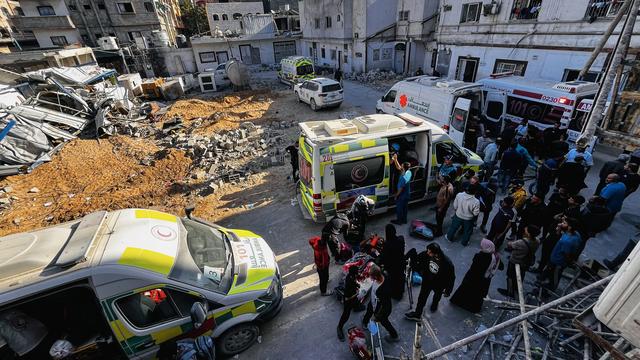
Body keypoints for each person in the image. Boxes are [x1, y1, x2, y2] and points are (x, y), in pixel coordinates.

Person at [450, 238, 503, 313]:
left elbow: (474, 267)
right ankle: (473, 308)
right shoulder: (495, 256)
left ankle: (459, 303)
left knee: (465, 290)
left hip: (473, 278)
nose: (481, 247)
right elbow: (501, 267)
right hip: (484, 280)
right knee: (477, 295)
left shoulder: (480, 256)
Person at [405, 243, 455, 319]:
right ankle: (417, 313)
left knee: (437, 295)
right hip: (427, 280)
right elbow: (418, 259)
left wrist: (448, 290)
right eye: (428, 251)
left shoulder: (447, 263)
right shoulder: (426, 255)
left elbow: (451, 278)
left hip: (439, 284)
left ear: (436, 253)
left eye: (429, 252)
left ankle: (434, 304)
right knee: (422, 297)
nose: (427, 253)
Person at [498, 225, 540, 298]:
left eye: (526, 230)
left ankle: (510, 292)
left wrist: (510, 243)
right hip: (526, 262)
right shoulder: (537, 241)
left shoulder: (521, 242)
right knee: (520, 276)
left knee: (510, 276)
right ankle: (516, 289)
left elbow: (510, 245)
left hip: (515, 261)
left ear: (529, 234)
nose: (525, 230)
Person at [540, 217, 582, 290]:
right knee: (548, 271)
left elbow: (567, 254)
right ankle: (543, 281)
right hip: (554, 258)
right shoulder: (572, 233)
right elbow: (558, 234)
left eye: (564, 223)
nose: (562, 223)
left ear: (569, 227)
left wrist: (568, 262)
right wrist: (560, 227)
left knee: (554, 276)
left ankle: (550, 289)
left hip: (558, 262)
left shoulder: (568, 241)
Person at [362, 265, 399, 343]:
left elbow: (383, 305)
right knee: (369, 311)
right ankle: (365, 322)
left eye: (371, 276)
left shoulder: (384, 289)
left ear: (375, 276)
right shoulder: (382, 274)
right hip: (373, 302)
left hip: (382, 309)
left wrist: (377, 315)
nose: (370, 278)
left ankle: (394, 336)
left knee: (384, 322)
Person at [378, 224, 406, 300]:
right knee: (400, 277)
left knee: (394, 280)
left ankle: (396, 294)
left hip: (392, 267)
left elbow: (383, 257)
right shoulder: (401, 239)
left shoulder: (387, 245)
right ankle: (400, 292)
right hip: (401, 263)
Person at [337, 266, 360, 341]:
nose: (358, 273)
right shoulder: (349, 281)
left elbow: (354, 281)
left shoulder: (350, 276)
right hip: (348, 300)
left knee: (357, 303)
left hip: (353, 298)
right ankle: (339, 328)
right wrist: (356, 293)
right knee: (346, 315)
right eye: (357, 272)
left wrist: (356, 285)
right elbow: (347, 298)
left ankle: (356, 307)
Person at [392, 158, 412, 225]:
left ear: (403, 168)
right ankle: (404, 220)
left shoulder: (403, 178)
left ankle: (399, 221)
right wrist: (395, 159)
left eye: (402, 165)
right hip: (407, 194)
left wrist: (396, 195)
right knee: (405, 208)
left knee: (399, 209)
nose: (401, 166)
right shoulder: (408, 173)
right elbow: (399, 167)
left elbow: (400, 189)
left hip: (402, 196)